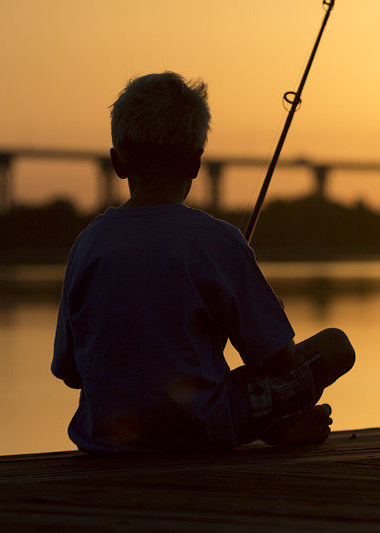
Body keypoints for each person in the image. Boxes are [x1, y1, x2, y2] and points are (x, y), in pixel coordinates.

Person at [51, 72, 355, 453]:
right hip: (202, 431)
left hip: (106, 438)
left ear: (117, 162)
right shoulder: (217, 240)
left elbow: (69, 372)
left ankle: (277, 425)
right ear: (196, 163)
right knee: (336, 346)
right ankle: (277, 424)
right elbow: (278, 359)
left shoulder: (87, 244)